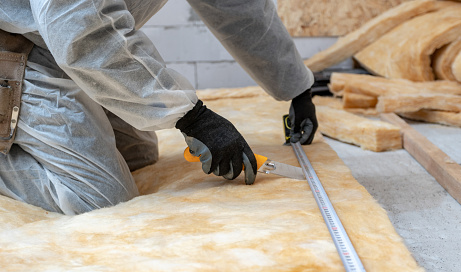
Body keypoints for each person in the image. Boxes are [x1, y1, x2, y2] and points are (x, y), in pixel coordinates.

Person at [0, 0, 318, 215]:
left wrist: (296, 87)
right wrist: (194, 118)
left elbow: (236, 5)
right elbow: (78, 27)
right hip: (17, 47)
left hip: (62, 45)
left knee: (140, 156)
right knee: (100, 201)